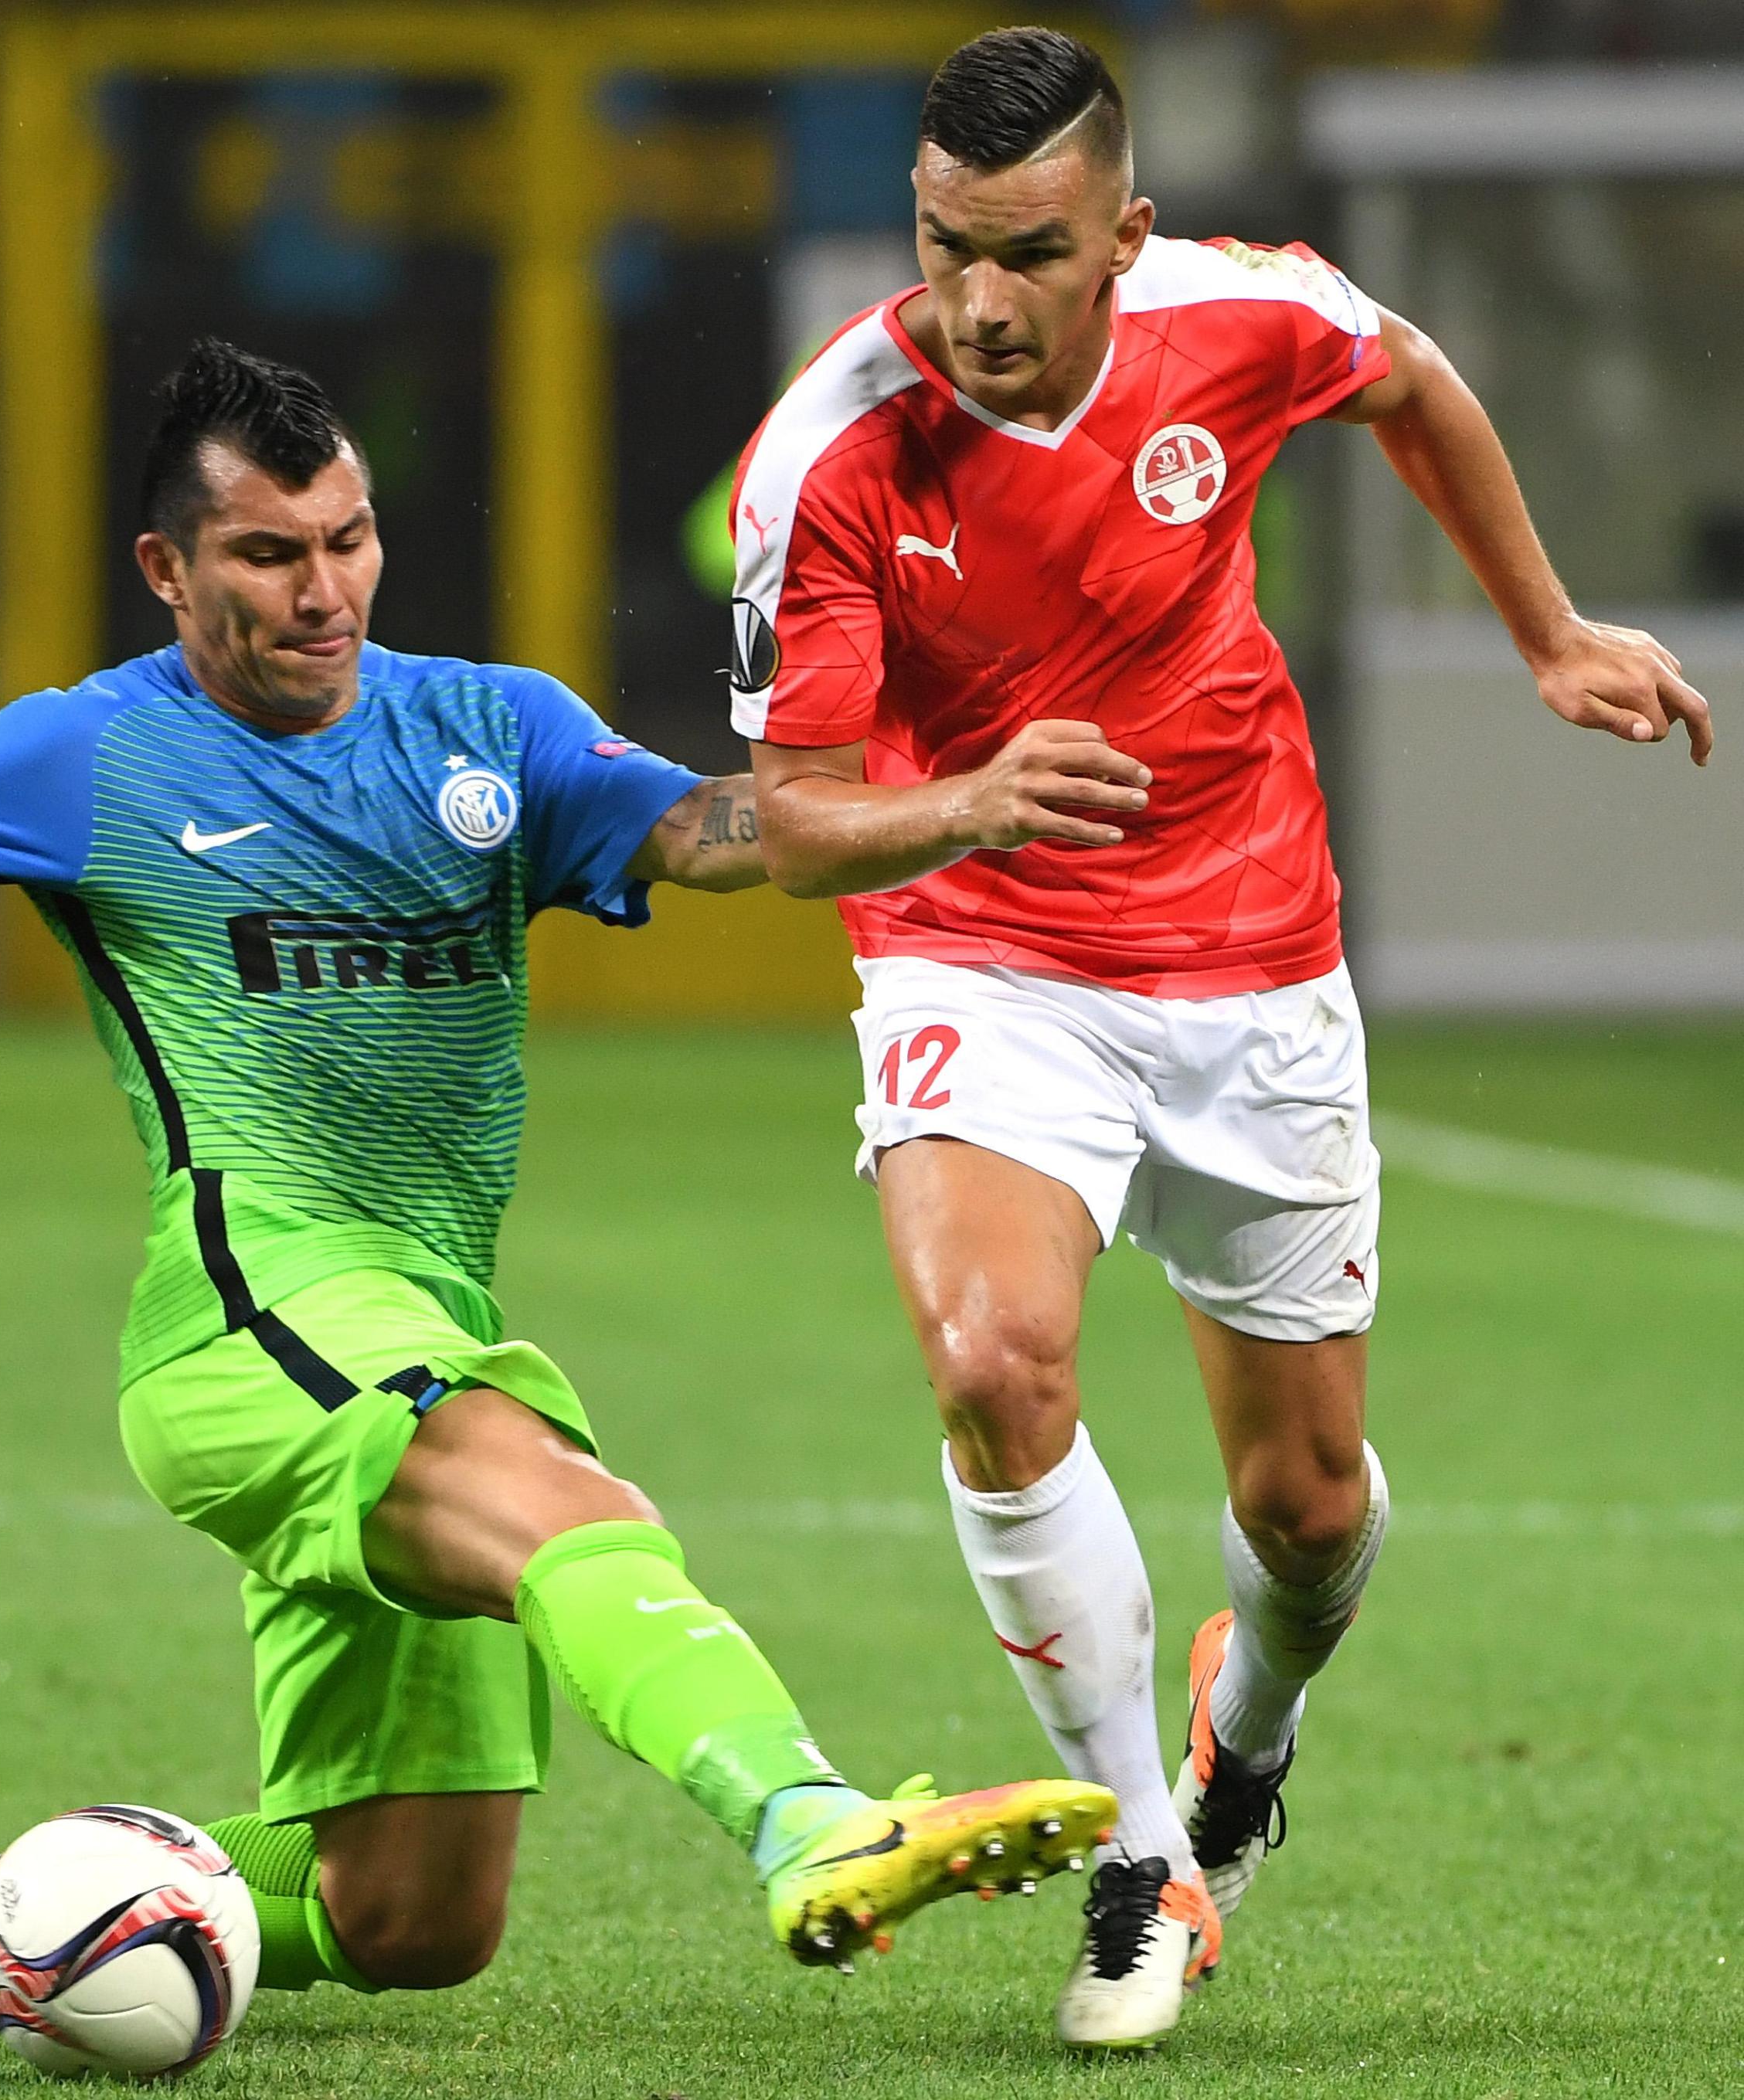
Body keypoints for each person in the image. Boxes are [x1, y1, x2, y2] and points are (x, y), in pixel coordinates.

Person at [0, 339, 1112, 2031]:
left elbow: (724, 831)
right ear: (168, 568)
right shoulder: (86, 754)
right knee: (568, 1506)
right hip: (247, 1319)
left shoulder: (491, 728)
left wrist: (966, 801)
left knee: (412, 1916)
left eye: (348, 540)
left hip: (415, 1315)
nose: (323, 590)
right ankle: (810, 1821)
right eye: (270, 554)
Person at [729, 28, 1713, 2054]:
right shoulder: (829, 452)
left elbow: (1411, 380)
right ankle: (1143, 1853)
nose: (978, 301)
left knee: (1310, 1508)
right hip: (982, 951)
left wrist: (1547, 630)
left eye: (1029, 252)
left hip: (1253, 959)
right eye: (944, 246)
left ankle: (1243, 1738)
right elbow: (799, 820)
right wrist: (972, 800)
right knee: (993, 1362)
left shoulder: (1242, 317)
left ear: (1127, 238)